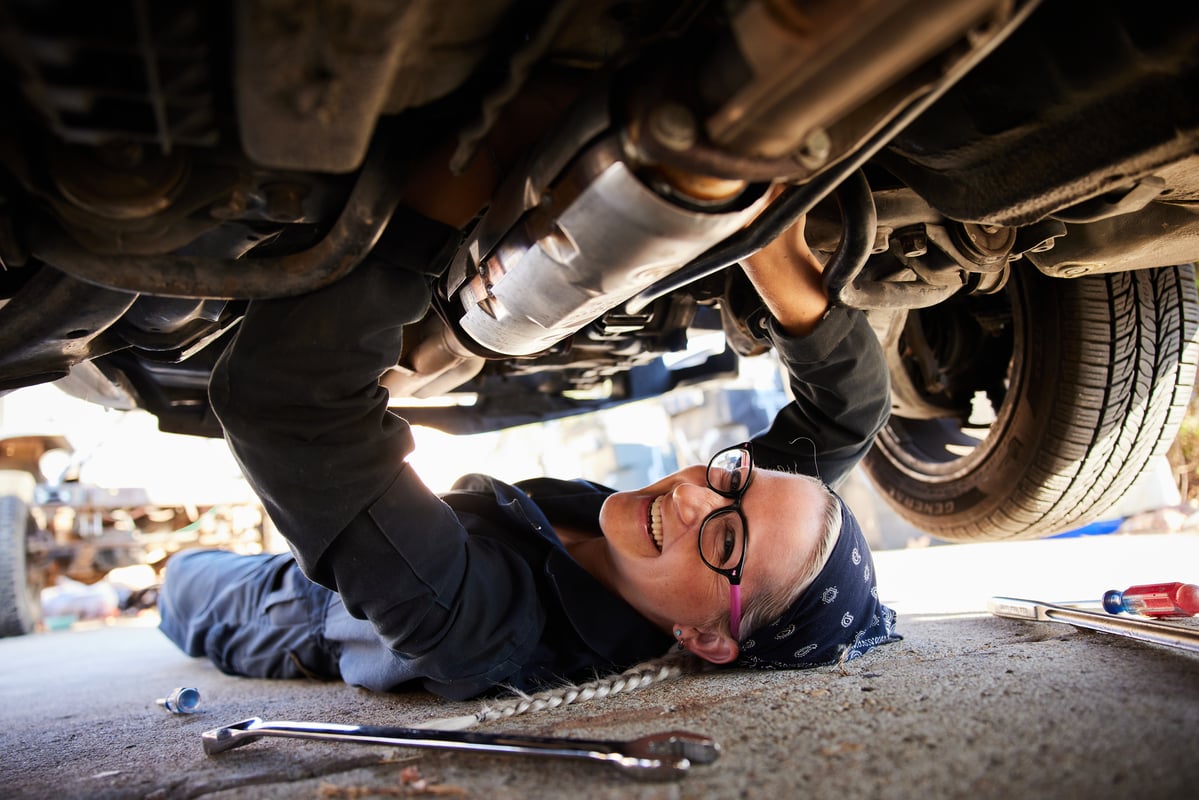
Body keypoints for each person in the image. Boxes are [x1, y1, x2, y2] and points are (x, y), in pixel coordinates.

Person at [158, 204, 900, 703]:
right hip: (376, 538)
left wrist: (423, 212)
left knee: (183, 585)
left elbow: (285, 402)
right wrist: (771, 244)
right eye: (733, 484)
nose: (692, 494)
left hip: (298, 609)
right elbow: (848, 414)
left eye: (725, 534)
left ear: (704, 639)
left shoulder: (485, 630)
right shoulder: (714, 538)